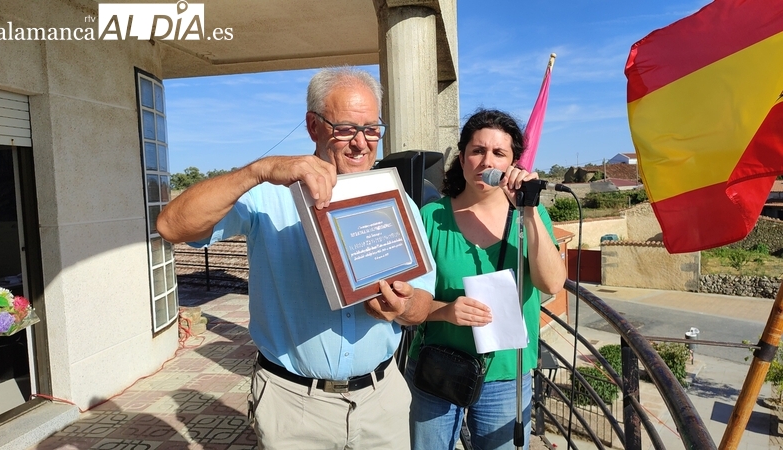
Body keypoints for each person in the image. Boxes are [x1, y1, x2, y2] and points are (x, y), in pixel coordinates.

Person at [156, 66, 436, 450]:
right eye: (345, 128)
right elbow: (173, 226)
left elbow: (422, 304)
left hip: (380, 401)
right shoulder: (269, 194)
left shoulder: (397, 202)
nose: (361, 143)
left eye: (372, 129)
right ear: (313, 126)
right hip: (295, 407)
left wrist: (403, 306)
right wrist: (259, 170)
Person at [405, 109, 566, 450]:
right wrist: (446, 311)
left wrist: (529, 211)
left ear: (513, 164)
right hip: (438, 367)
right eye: (477, 151)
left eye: (498, 153)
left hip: (506, 375)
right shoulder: (431, 217)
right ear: (462, 158)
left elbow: (552, 284)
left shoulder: (531, 217)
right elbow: (407, 299)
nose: (486, 161)